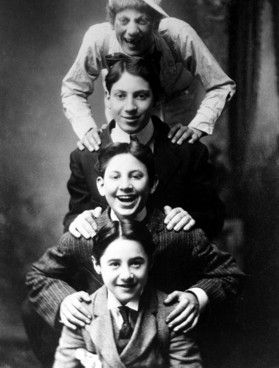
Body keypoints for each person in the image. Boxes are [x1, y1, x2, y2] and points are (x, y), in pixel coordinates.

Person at [24, 142, 243, 367]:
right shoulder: (86, 233)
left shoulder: (176, 232)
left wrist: (197, 297)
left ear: (153, 183)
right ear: (100, 185)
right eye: (115, 177)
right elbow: (38, 275)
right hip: (101, 339)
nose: (125, 186)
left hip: (166, 339)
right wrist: (64, 300)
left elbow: (230, 274)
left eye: (136, 176)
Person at [62, 0, 235, 151]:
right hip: (124, 123)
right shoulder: (99, 39)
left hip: (174, 123)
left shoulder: (177, 35)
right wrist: (87, 129)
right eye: (124, 20)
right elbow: (72, 89)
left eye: (141, 21)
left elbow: (221, 86)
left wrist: (197, 126)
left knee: (173, 169)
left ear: (155, 23)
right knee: (128, 171)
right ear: (112, 21)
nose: (132, 31)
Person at [64, 56, 224, 240]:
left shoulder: (188, 151)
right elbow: (73, 216)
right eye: (120, 95)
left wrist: (192, 219)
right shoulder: (85, 156)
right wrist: (77, 223)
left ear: (156, 99)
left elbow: (214, 217)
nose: (130, 107)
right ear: (108, 98)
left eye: (141, 96)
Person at [53, 220, 202, 368]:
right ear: (97, 265)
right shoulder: (80, 312)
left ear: (150, 263)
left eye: (136, 263)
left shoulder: (173, 313)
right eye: (114, 264)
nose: (126, 275)